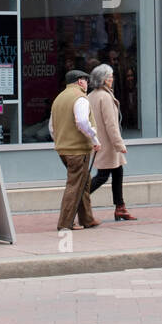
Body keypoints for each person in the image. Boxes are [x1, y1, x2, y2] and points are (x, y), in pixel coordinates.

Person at [51, 69, 101, 231]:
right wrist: (94, 139)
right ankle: (65, 222)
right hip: (78, 150)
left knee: (84, 181)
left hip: (63, 149)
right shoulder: (80, 98)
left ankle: (87, 218)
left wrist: (60, 141)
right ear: (80, 81)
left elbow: (51, 127)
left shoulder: (59, 99)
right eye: (86, 80)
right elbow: (82, 122)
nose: (87, 84)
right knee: (75, 184)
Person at [87, 64, 133, 221]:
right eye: (109, 77)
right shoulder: (105, 97)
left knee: (117, 172)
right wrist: (119, 144)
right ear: (102, 80)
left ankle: (120, 207)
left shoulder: (91, 96)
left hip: (101, 141)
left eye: (111, 76)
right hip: (107, 144)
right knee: (103, 175)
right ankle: (81, 196)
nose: (112, 79)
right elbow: (111, 124)